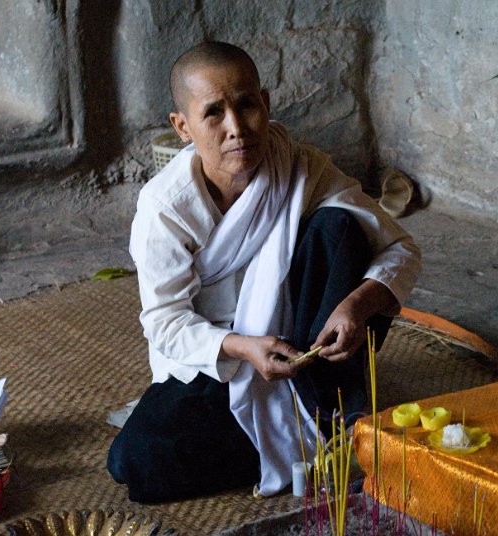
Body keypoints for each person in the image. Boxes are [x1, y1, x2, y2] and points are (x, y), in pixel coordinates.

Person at [107, 41, 421, 503]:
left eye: (247, 105)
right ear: (182, 127)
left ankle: (327, 408)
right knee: (133, 461)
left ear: (266, 103)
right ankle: (318, 435)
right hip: (221, 361)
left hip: (305, 350)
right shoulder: (164, 207)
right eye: (213, 113)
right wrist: (243, 348)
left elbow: (400, 248)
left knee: (340, 227)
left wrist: (357, 305)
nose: (237, 129)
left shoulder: (299, 165)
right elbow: (165, 323)